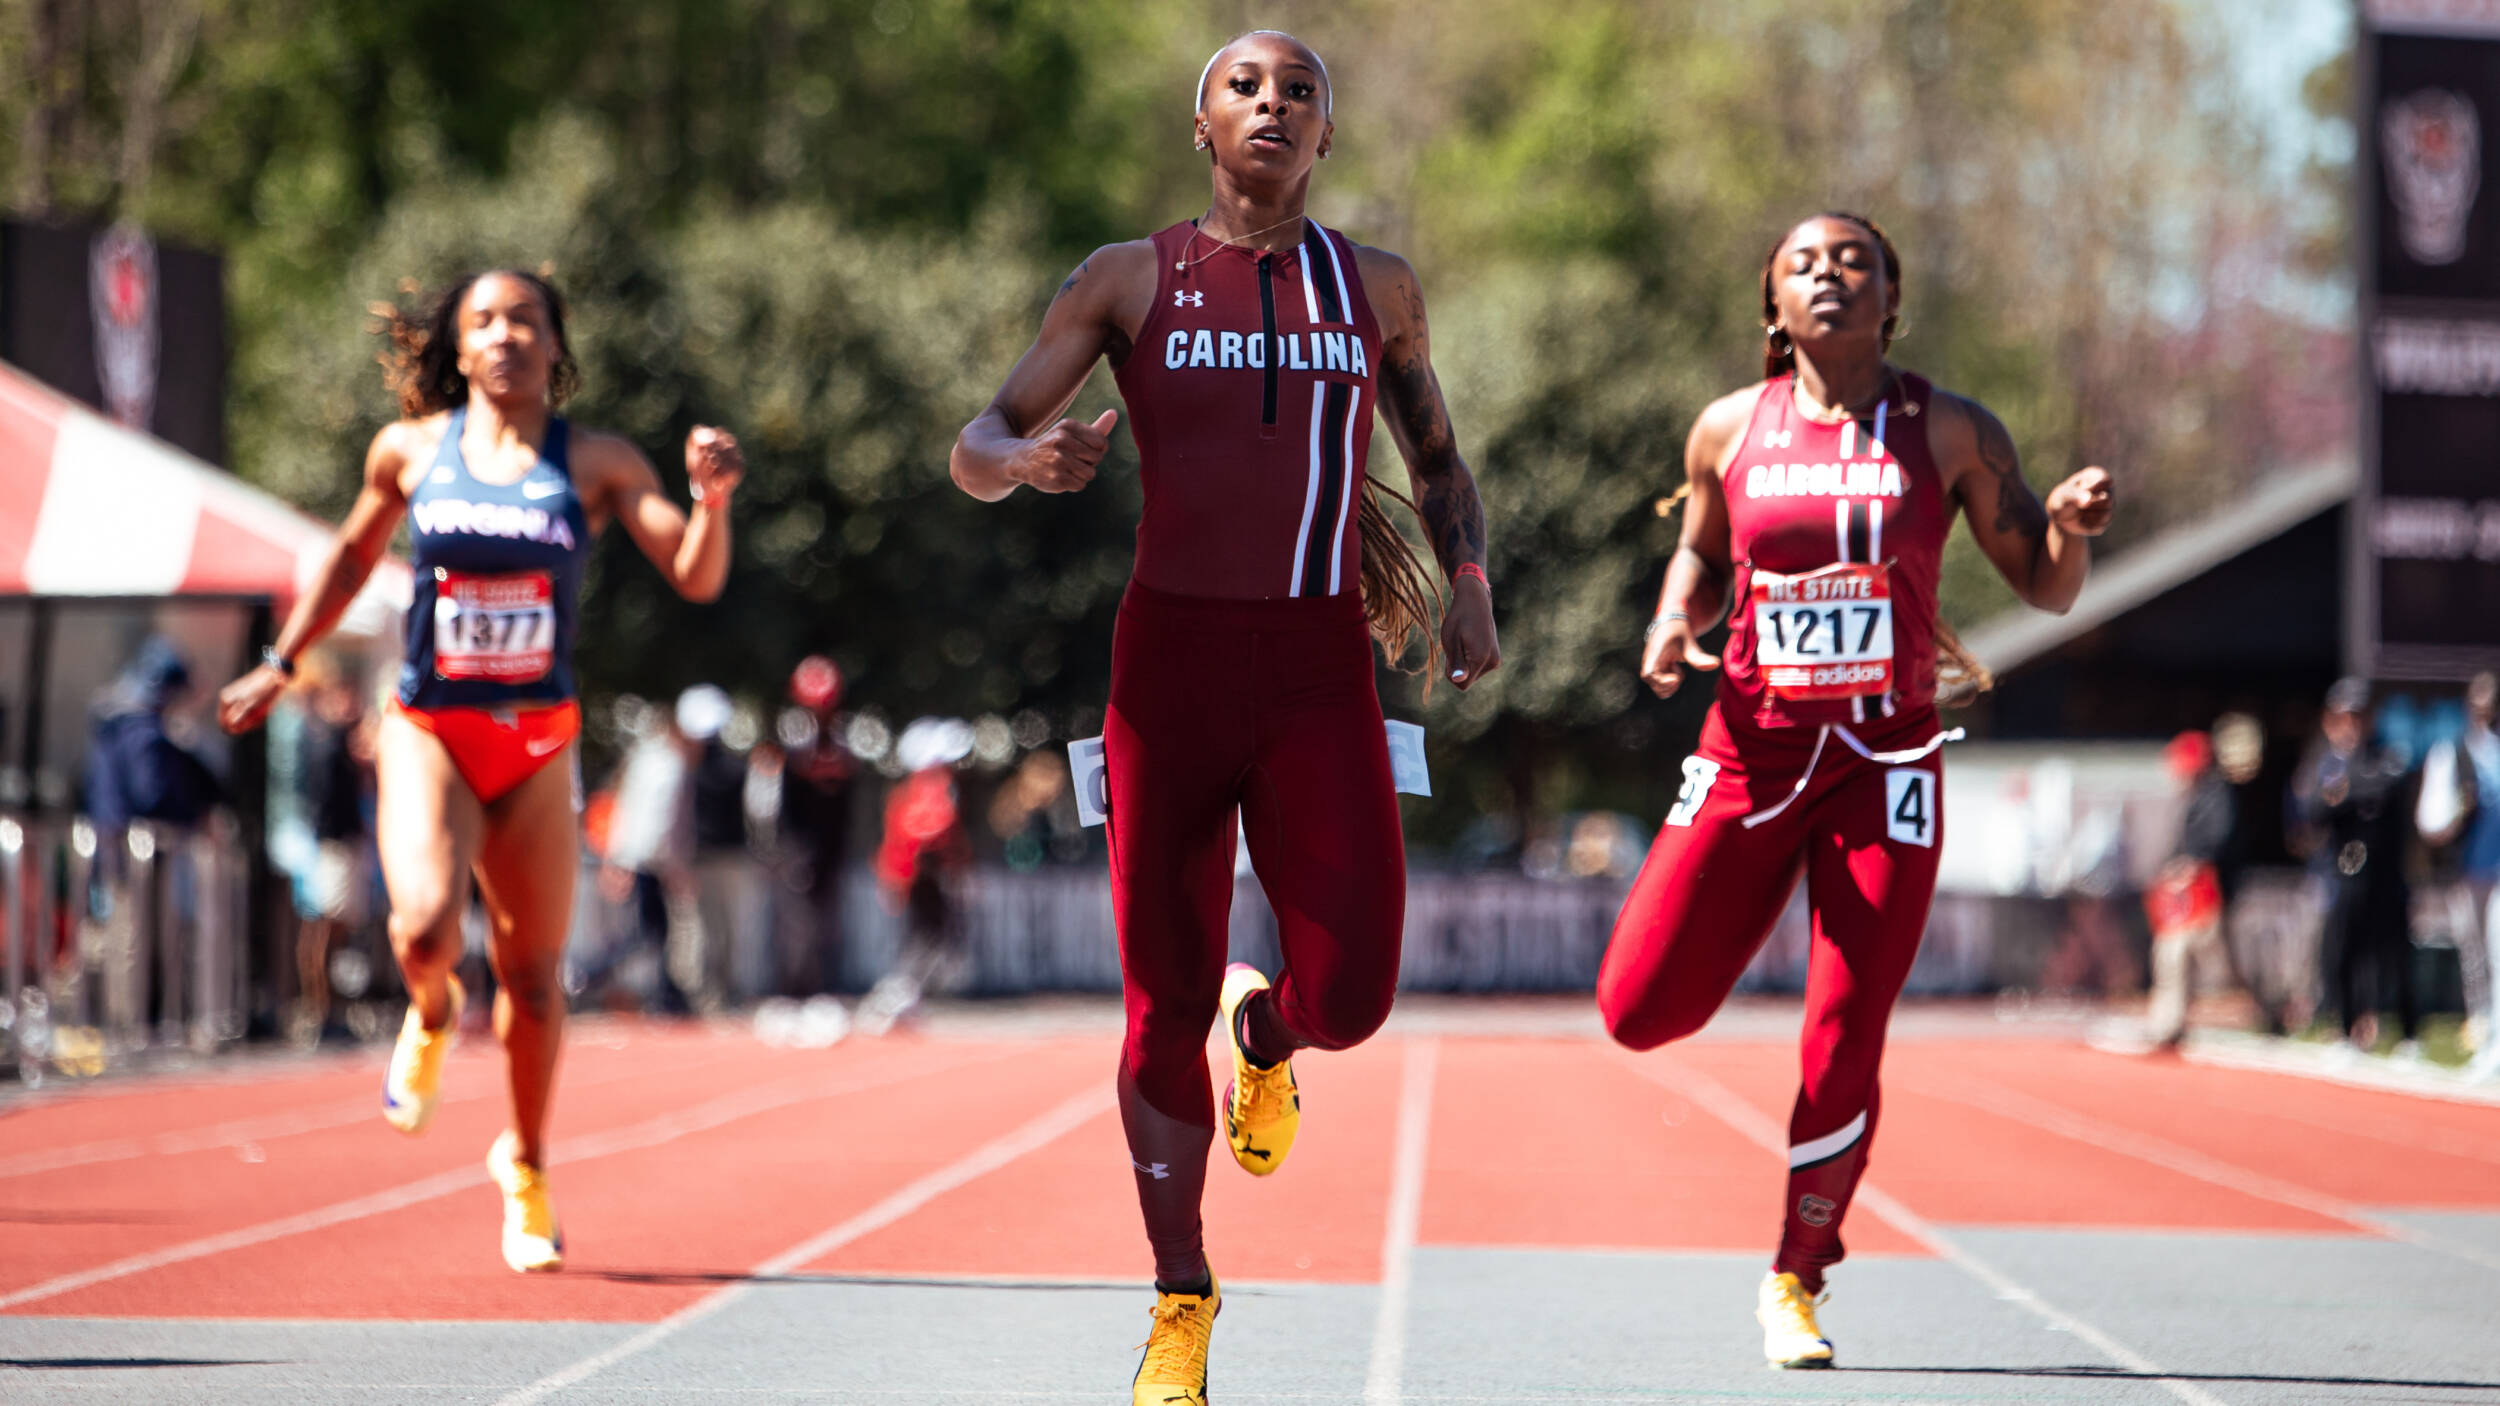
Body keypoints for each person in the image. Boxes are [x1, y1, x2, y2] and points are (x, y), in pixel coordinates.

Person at [949, 30, 1499, 1403]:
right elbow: (977, 441)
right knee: (1156, 1004)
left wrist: (1471, 581)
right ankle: (1181, 1292)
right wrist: (1030, 458)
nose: (1274, 104)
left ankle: (1273, 1039)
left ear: (1326, 138)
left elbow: (1435, 457)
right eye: (1246, 88)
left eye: (1299, 92)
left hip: (1319, 669)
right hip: (1171, 673)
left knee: (1359, 991)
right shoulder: (1128, 278)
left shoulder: (1374, 289)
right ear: (1203, 126)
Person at [1599, 212, 2113, 1369]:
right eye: (1801, 265)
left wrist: (2071, 531)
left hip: (1884, 766)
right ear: (1770, 306)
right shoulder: (1729, 426)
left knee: (1844, 1029)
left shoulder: (1950, 432)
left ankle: (1795, 1274)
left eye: (1854, 264)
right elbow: (1701, 540)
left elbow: (2042, 584)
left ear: (1891, 299)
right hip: (1749, 751)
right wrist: (1672, 612)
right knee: (1636, 1008)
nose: (1828, 277)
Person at [218, 269, 742, 1273]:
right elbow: (347, 554)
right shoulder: (411, 450)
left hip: (538, 740)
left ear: (555, 345)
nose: (504, 336)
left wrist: (710, 500)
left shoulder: (595, 461)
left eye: (524, 321)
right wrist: (282, 660)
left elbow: (695, 572)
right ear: (457, 351)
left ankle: (527, 1163)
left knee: (535, 981)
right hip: (431, 727)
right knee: (419, 924)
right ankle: (427, 1006)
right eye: (483, 322)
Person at [2290, 678, 2421, 1061]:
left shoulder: (2386, 753)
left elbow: (2388, 783)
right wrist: (2349, 792)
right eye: (2344, 717)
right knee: (2342, 952)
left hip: (2386, 871)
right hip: (2342, 872)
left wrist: (2346, 792)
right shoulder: (2324, 761)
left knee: (2393, 955)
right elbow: (2313, 806)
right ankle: (2345, 1029)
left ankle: (2407, 1034)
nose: (2351, 725)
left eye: (2358, 716)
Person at [2419, 673, 2498, 1078]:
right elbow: (2430, 820)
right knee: (2474, 954)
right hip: (2468, 868)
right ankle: (2483, 1031)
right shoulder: (2454, 750)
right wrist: (2457, 812)